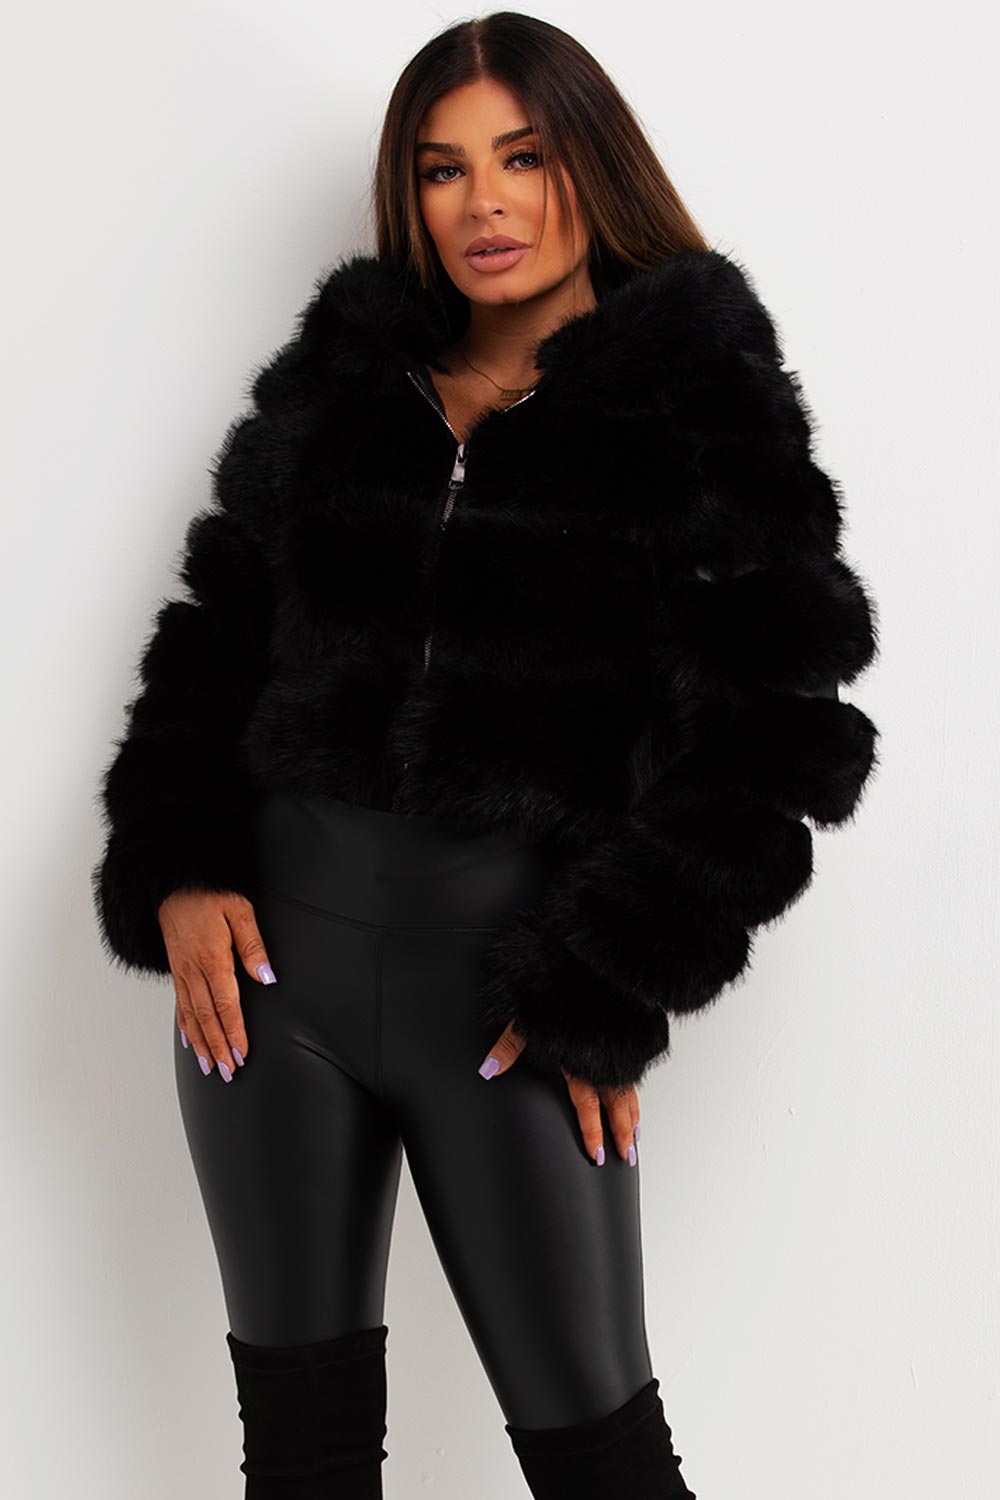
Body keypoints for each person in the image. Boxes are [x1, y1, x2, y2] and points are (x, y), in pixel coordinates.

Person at [91, 11, 880, 1499]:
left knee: (604, 1464)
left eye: (523, 157)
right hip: (270, 991)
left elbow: (786, 728)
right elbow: (214, 632)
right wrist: (180, 862)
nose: (486, 203)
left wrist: (610, 979)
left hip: (509, 1003)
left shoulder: (698, 401)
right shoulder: (344, 381)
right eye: (443, 169)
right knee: (301, 1463)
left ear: (592, 166)